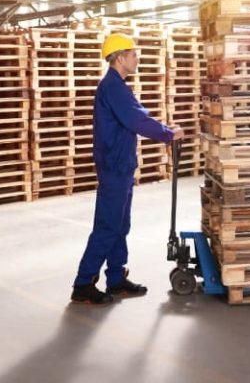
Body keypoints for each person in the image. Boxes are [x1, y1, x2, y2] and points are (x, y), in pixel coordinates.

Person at [71, 33, 185, 305]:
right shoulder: (113, 87)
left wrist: (165, 131)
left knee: (121, 225)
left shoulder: (119, 86)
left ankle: (115, 278)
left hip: (120, 165)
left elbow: (136, 116)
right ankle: (83, 283)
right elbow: (136, 119)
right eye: (133, 54)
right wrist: (169, 133)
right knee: (108, 226)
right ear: (120, 58)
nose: (137, 58)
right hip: (114, 166)